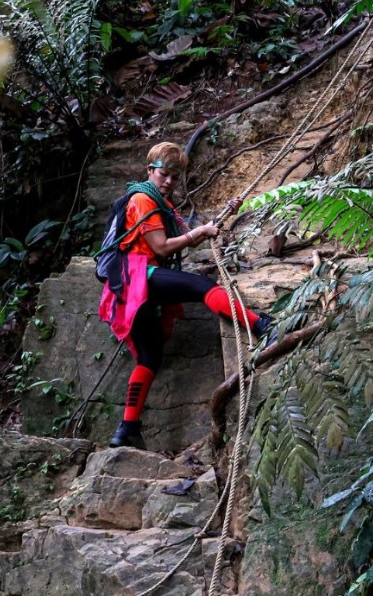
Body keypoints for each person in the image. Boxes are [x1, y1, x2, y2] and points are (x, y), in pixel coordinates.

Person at [98, 141, 272, 450]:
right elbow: (162, 247)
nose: (168, 181)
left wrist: (216, 219)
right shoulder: (143, 199)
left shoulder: (159, 203)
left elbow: (185, 232)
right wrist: (199, 234)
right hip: (138, 275)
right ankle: (260, 326)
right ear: (149, 170)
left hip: (128, 285)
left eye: (175, 177)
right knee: (203, 288)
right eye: (164, 174)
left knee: (151, 358)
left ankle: (126, 429)